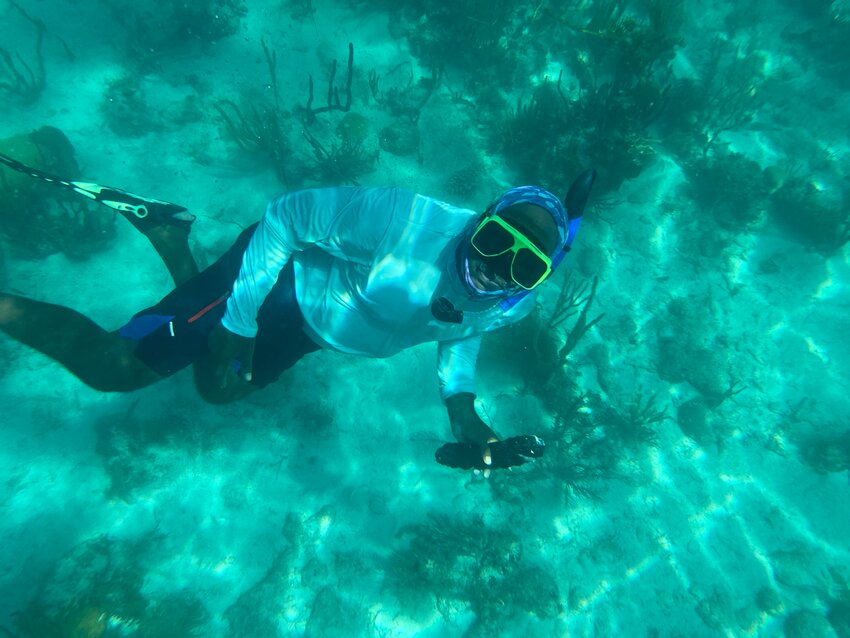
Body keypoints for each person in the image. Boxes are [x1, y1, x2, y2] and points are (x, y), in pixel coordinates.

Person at [0, 163, 595, 469]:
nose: (497, 269)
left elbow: (462, 330)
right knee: (114, 368)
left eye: (524, 267)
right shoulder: (401, 221)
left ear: (538, 279)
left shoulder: (512, 303)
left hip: (313, 332)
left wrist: (461, 408)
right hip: (275, 285)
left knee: (217, 390)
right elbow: (285, 217)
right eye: (495, 240)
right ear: (480, 218)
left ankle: (169, 235)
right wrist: (239, 318)